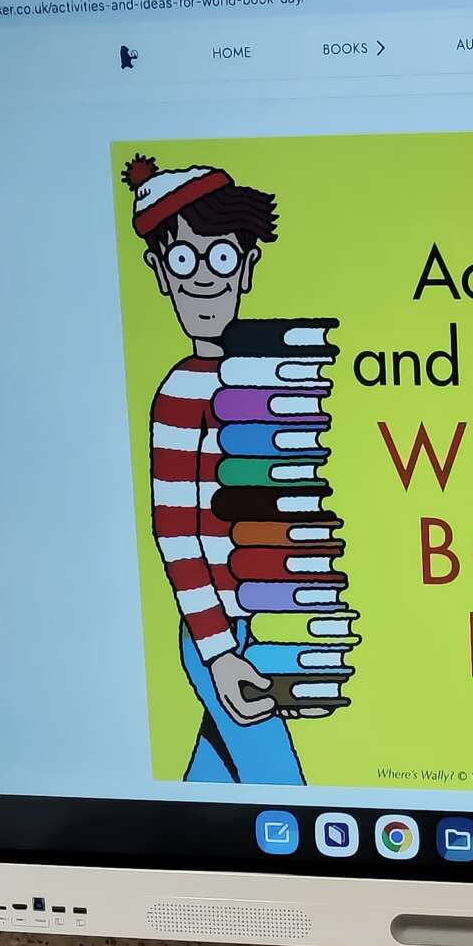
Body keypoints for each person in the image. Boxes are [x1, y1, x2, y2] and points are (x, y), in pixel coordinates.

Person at [124, 153, 304, 788]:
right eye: (183, 259)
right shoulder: (182, 393)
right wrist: (220, 651)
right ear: (160, 272)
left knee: (212, 794)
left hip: (255, 623)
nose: (203, 279)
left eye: (221, 257)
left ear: (246, 267)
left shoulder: (257, 379)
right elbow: (176, 533)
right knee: (283, 790)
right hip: (220, 631)